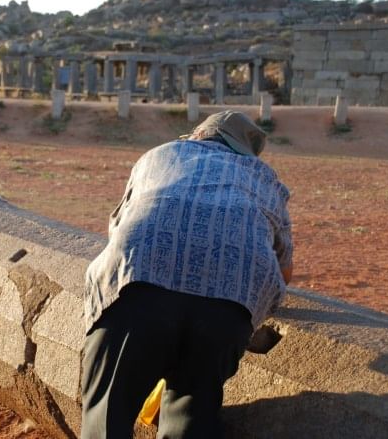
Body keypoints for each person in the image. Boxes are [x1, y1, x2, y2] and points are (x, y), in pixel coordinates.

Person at [81, 110, 294, 438]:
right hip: (228, 307)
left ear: (198, 135)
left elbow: (119, 226)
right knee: (192, 419)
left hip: (139, 289)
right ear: (247, 151)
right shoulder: (266, 178)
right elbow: (283, 269)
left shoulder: (160, 154)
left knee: (107, 417)